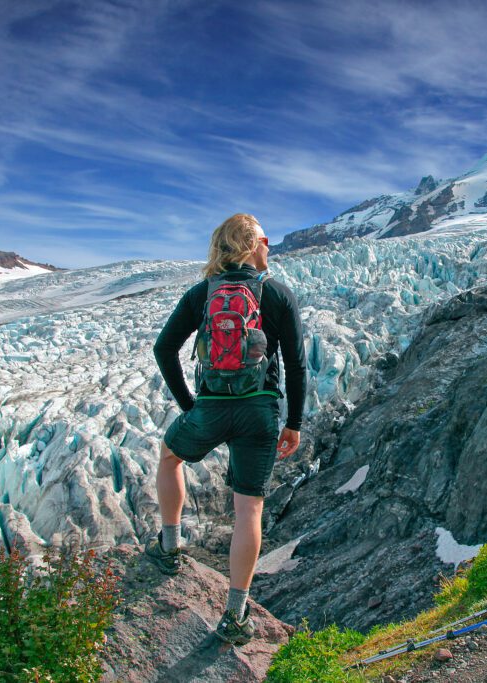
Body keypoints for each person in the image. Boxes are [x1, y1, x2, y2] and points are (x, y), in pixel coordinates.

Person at [147, 213, 307, 646]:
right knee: (248, 509)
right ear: (254, 244)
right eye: (265, 241)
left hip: (212, 407)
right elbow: (295, 364)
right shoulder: (277, 293)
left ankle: (170, 546)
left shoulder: (202, 293)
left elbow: (164, 349)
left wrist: (190, 406)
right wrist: (293, 422)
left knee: (169, 456)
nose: (269, 247)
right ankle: (235, 616)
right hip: (260, 412)